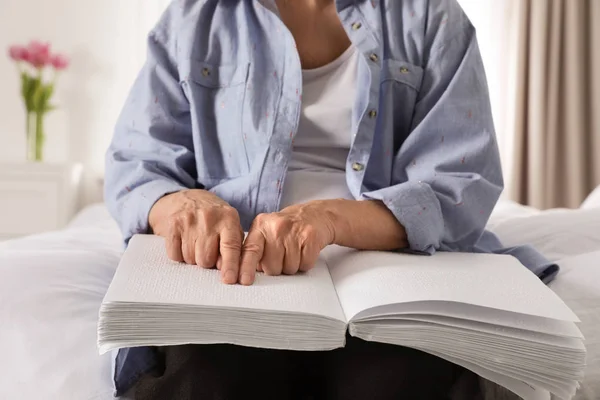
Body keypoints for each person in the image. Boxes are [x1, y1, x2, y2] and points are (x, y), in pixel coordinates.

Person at [105, 0, 558, 398]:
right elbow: (138, 162)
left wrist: (331, 219)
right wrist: (182, 204)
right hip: (236, 266)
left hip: (388, 261)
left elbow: (462, 181)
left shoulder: (431, 15)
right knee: (204, 376)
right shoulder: (196, 16)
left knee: (401, 375)